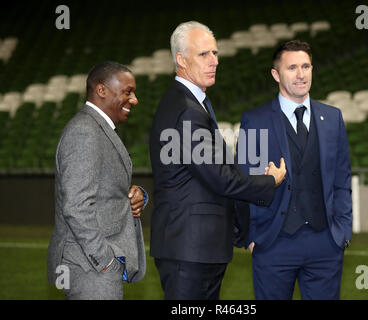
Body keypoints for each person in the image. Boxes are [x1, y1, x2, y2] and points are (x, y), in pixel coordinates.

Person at [149, 21, 286, 300]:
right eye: (203, 54)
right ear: (181, 59)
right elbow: (220, 178)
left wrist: (238, 229)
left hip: (195, 247)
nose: (214, 61)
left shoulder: (188, 103)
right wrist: (269, 181)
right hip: (190, 250)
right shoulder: (186, 109)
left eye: (215, 53)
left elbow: (210, 178)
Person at [237, 40, 352, 300]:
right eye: (292, 68)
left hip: (325, 243)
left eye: (306, 66)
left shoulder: (333, 118)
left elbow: (342, 179)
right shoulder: (255, 120)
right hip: (274, 242)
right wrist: (254, 236)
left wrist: (342, 230)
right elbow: (246, 182)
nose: (301, 74)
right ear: (276, 74)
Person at [47, 61, 149, 300]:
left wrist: (138, 195)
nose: (134, 100)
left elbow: (108, 190)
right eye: (127, 92)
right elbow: (76, 206)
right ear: (101, 90)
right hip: (89, 268)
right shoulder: (85, 131)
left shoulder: (98, 128)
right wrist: (105, 260)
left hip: (94, 267)